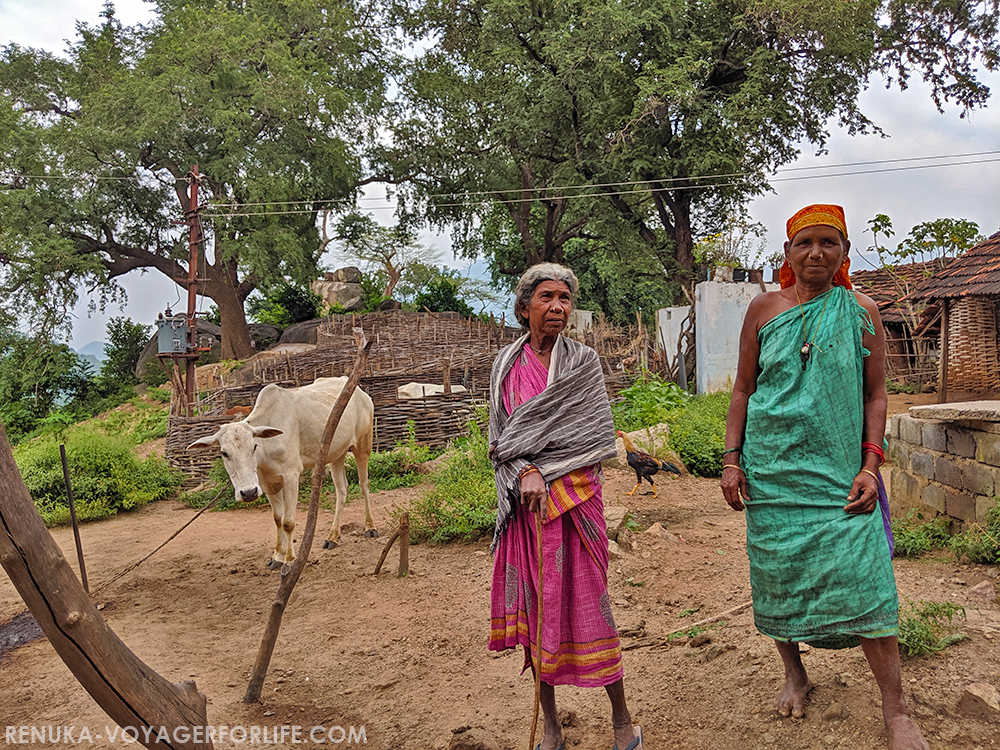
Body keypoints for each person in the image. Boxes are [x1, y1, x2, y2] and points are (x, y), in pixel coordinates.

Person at [721, 205, 928, 750]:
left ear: (844, 253)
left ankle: (897, 709)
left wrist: (870, 465)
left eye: (828, 242)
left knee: (867, 580)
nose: (816, 252)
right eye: (804, 242)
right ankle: (795, 672)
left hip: (840, 478)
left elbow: (876, 394)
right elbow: (743, 389)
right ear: (787, 253)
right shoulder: (764, 309)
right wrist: (731, 460)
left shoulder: (862, 310)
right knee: (778, 574)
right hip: (773, 476)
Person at [488, 263, 642, 750]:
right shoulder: (505, 368)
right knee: (538, 610)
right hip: (526, 509)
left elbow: (594, 439)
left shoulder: (583, 364)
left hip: (575, 503)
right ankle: (551, 725)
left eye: (565, 299)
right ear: (524, 306)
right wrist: (525, 473)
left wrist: (547, 475)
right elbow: (500, 444)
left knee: (593, 607)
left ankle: (621, 722)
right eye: (547, 297)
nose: (558, 307)